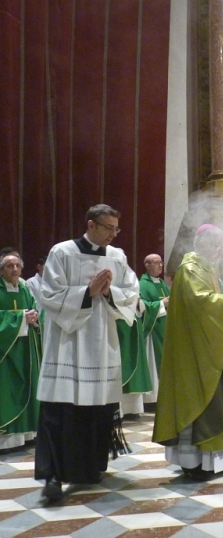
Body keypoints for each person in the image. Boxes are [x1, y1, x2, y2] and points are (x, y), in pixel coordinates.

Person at [35, 204, 139, 500]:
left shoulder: (117, 257)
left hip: (101, 343)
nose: (113, 234)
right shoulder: (63, 252)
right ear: (91, 225)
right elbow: (49, 295)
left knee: (97, 409)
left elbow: (131, 293)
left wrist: (108, 293)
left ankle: (90, 468)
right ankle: (53, 475)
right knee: (61, 409)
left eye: (116, 229)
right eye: (108, 228)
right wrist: (86, 293)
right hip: (67, 345)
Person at [153, 224, 223, 480]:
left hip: (209, 345)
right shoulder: (189, 269)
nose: (220, 250)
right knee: (200, 397)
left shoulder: (206, 268)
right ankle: (194, 462)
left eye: (221, 245)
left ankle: (209, 462)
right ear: (201, 243)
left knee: (214, 397)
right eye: (215, 245)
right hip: (194, 350)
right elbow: (201, 303)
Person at [0, 254, 42, 452]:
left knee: (30, 385)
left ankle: (29, 433)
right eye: (9, 266)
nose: (14, 269)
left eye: (17, 265)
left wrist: (34, 317)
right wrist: (19, 317)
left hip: (26, 347)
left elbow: (34, 309)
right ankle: (8, 439)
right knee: (9, 390)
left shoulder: (25, 288)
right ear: (2, 270)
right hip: (6, 352)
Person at [139, 254, 170, 407]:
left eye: (161, 263)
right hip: (152, 332)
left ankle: (163, 398)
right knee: (152, 363)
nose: (160, 266)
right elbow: (141, 306)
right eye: (156, 263)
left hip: (164, 330)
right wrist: (161, 304)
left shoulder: (163, 284)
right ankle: (151, 400)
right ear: (147, 265)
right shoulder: (142, 284)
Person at [26, 256, 47, 321]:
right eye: (47, 267)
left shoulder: (53, 282)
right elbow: (32, 303)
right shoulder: (30, 282)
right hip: (37, 319)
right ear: (39, 267)